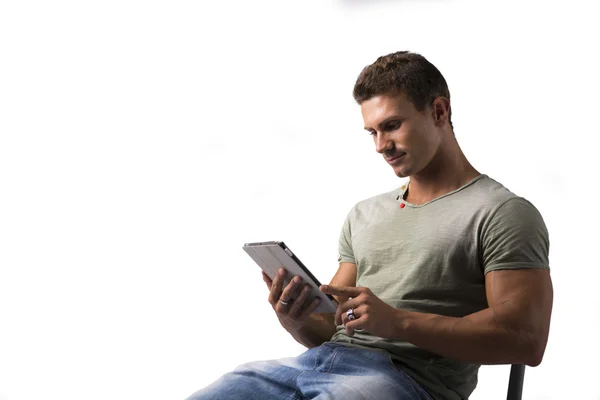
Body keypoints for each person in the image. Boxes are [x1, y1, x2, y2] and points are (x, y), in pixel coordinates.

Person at [186, 51, 553, 400]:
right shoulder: (364, 214)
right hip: (317, 367)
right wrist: (294, 318)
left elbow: (525, 339)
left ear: (439, 111)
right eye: (372, 132)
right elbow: (333, 327)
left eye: (392, 126)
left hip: (407, 382)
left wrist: (396, 322)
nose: (381, 145)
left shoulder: (501, 212)